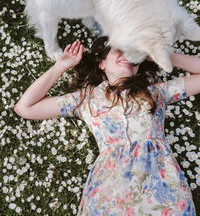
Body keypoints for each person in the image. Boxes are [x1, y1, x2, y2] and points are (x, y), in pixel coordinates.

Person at [14, 36, 199, 215]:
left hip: (163, 191)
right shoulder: (85, 99)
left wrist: (161, 55)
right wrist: (60, 67)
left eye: (133, 53)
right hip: (111, 193)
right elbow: (25, 108)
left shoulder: (157, 92)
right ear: (102, 63)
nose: (128, 55)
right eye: (120, 49)